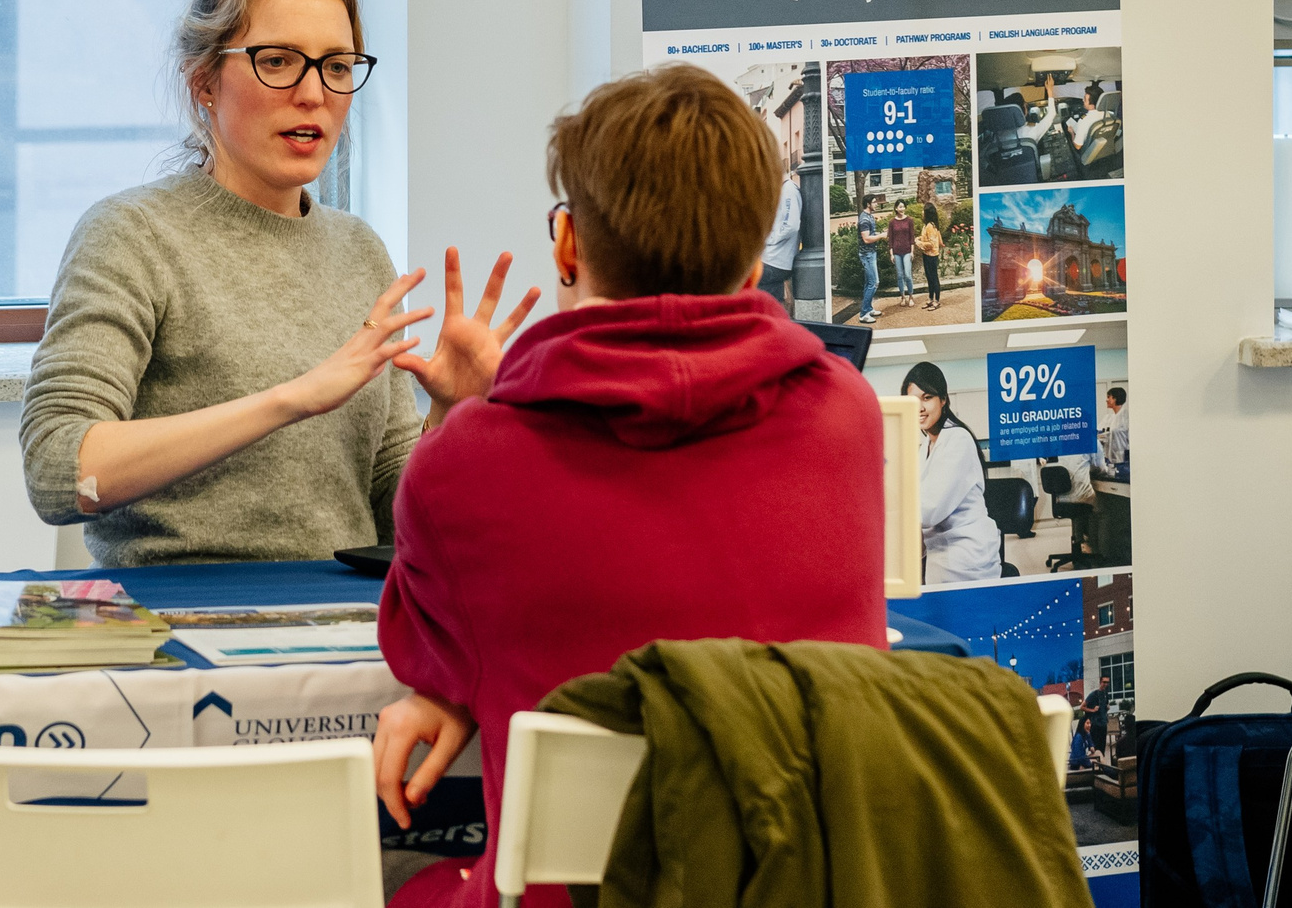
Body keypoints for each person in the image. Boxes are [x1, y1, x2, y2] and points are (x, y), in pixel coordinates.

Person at [371, 64, 886, 908]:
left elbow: (428, 650)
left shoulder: (465, 464)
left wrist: (462, 414)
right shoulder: (848, 417)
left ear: (568, 245)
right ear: (758, 260)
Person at [21, 0, 530, 566]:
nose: (314, 93)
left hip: (342, 619)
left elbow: (398, 522)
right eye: (279, 61)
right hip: (181, 621)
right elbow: (57, 469)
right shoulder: (133, 234)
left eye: (337, 67)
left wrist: (453, 416)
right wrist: (291, 399)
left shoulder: (359, 249)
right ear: (204, 82)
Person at [902, 360, 1002, 585]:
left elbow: (929, 511)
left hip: (966, 558)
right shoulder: (925, 447)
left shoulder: (958, 439)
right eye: (912, 400)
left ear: (943, 400)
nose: (919, 407)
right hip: (941, 554)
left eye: (927, 398)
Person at [758, 160, 801, 314]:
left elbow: (791, 225)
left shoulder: (789, 190)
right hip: (774, 261)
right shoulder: (784, 190)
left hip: (775, 261)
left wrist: (769, 240)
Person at [854, 194, 884, 323]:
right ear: (868, 204)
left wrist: (878, 234)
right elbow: (866, 239)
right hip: (867, 254)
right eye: (874, 202)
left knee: (868, 283)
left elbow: (870, 235)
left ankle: (869, 308)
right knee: (874, 283)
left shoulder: (869, 217)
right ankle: (864, 314)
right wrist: (882, 236)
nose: (876, 204)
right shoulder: (864, 219)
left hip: (871, 253)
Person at [915, 194, 947, 309]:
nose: (922, 213)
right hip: (927, 254)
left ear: (927, 213)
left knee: (933, 278)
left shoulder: (930, 226)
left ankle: (936, 301)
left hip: (931, 255)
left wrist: (919, 244)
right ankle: (930, 298)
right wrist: (919, 238)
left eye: (924, 211)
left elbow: (932, 244)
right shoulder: (927, 225)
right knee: (929, 277)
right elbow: (931, 238)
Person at [886, 201, 918, 306]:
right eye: (900, 207)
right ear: (896, 208)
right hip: (896, 251)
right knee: (900, 275)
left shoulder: (909, 220)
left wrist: (912, 251)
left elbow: (912, 237)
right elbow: (890, 239)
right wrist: (891, 253)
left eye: (903, 206)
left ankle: (911, 296)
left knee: (908, 275)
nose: (902, 208)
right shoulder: (892, 222)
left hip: (907, 251)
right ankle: (903, 297)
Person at [1099, 385, 1130, 475]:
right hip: (1109, 459)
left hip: (1122, 460)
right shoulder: (1110, 417)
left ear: (1115, 398)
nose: (1106, 400)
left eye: (1109, 397)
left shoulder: (1125, 417)